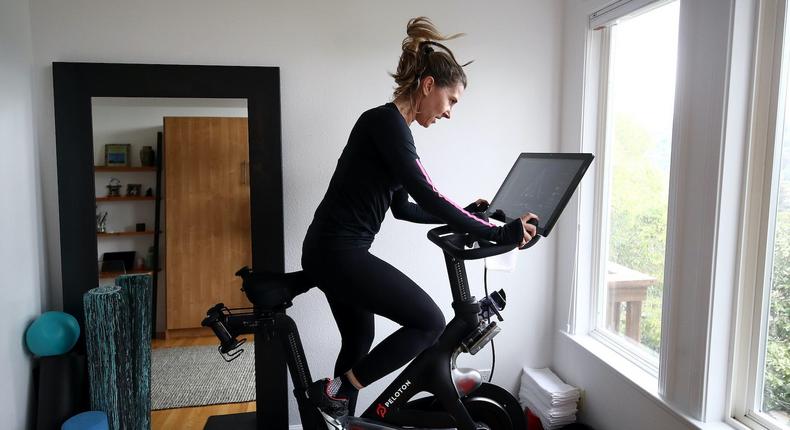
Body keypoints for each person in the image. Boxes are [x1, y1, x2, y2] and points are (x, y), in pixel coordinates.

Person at [301, 16, 538, 426]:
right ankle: (335, 391)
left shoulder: (389, 128)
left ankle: (337, 414)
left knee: (359, 339)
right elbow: (427, 192)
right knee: (428, 321)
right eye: (451, 101)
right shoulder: (386, 124)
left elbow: (405, 207)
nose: (449, 114)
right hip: (337, 252)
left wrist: (469, 215)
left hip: (331, 250)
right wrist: (499, 231)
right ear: (428, 86)